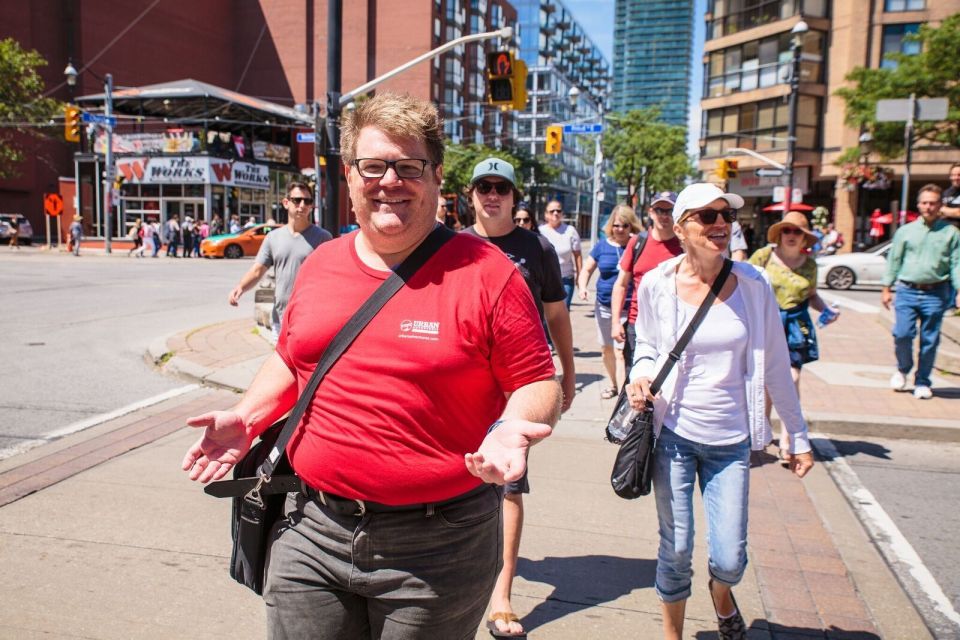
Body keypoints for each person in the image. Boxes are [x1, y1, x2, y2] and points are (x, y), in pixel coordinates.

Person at [183, 93, 562, 639]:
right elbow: (294, 362)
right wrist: (248, 416)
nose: (391, 181)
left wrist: (510, 430)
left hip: (438, 550)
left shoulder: (489, 273)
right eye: (374, 166)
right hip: (310, 527)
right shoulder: (321, 264)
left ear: (436, 177)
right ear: (350, 174)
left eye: (409, 167)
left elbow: (534, 379)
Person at [626, 183, 814, 640]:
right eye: (707, 217)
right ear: (683, 225)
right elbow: (647, 343)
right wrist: (641, 372)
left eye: (725, 217)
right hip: (673, 433)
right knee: (676, 547)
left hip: (730, 440)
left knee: (729, 559)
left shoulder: (753, 284)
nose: (720, 225)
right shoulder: (658, 283)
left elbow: (775, 363)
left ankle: (722, 593)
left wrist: (798, 436)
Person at [463, 157, 574, 639]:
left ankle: (502, 595)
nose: (492, 195)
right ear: (470, 195)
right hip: (461, 383)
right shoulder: (451, 244)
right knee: (459, 481)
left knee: (508, 484)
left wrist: (566, 371)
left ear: (514, 197)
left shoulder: (536, 247)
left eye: (501, 188)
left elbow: (557, 313)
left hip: (517, 386)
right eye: (483, 187)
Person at [748, 211, 838, 456]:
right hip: (766, 321)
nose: (790, 235)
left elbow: (811, 296)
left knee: (791, 378)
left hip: (796, 324)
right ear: (779, 234)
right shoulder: (763, 256)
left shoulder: (809, 264)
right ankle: (762, 431)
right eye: (786, 230)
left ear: (804, 238)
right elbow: (746, 286)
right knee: (765, 381)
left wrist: (826, 310)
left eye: (797, 231)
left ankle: (789, 438)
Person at [881, 184, 960, 400]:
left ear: (940, 205)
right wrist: (886, 287)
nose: (928, 207)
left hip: (936, 292)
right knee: (902, 334)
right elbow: (894, 260)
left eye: (933, 203)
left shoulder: (950, 233)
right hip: (907, 289)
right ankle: (902, 368)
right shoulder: (905, 232)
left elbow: (956, 263)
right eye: (925, 202)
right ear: (918, 205)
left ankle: (923, 381)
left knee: (930, 340)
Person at [228, 181, 332, 342]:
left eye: (308, 201)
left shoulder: (323, 237)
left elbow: (331, 278)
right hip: (280, 317)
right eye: (297, 200)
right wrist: (240, 287)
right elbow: (257, 270)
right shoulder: (273, 238)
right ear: (286, 203)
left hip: (309, 318)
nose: (302, 205)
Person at [611, 191, 684, 374]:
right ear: (651, 212)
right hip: (638, 325)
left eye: (669, 211)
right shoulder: (637, 242)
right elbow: (621, 284)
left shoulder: (684, 245)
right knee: (635, 378)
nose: (664, 216)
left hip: (674, 324)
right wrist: (615, 321)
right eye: (659, 210)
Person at [577, 204, 642, 398]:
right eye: (616, 225)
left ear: (632, 226)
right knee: (606, 350)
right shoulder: (602, 246)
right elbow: (587, 269)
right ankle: (614, 384)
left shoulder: (637, 245)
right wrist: (582, 287)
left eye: (624, 225)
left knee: (621, 352)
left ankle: (623, 396)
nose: (620, 229)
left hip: (630, 307)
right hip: (604, 306)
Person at [539, 200, 582, 308]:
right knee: (545, 315)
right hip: (545, 280)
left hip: (565, 279)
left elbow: (577, 255)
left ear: (562, 214)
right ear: (546, 214)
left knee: (562, 312)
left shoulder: (570, 231)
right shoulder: (539, 232)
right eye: (552, 211)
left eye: (558, 210)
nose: (555, 213)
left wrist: (580, 277)